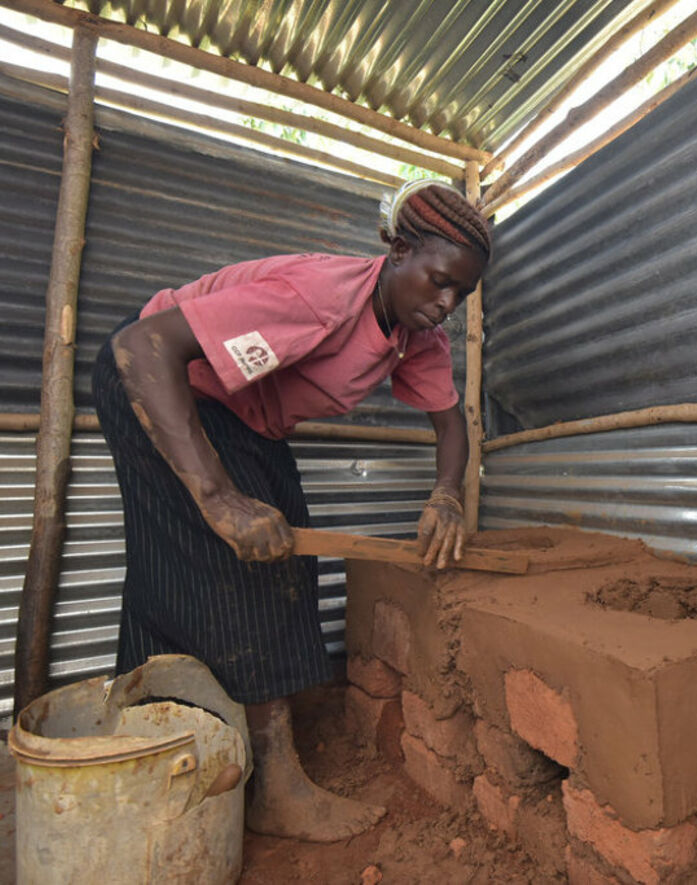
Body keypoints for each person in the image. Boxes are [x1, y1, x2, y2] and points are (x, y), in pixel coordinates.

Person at [92, 180, 491, 842]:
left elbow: (451, 425)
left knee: (272, 554)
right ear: (398, 251)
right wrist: (219, 499)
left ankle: (152, 741)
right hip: (161, 386)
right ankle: (274, 789)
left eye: (463, 294)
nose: (447, 303)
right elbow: (143, 347)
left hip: (243, 415)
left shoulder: (416, 336)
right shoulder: (322, 297)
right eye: (440, 280)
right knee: (250, 563)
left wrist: (447, 493)